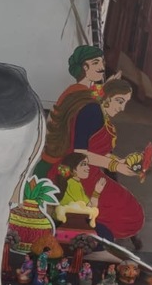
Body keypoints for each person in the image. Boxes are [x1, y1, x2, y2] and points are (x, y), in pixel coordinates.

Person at [44, 77, 145, 241]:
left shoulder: (101, 114)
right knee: (127, 214)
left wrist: (122, 162)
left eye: (125, 103)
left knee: (130, 211)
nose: (122, 108)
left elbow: (98, 151)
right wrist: (115, 166)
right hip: (75, 172)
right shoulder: (92, 112)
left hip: (90, 172)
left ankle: (87, 234)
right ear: (107, 96)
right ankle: (84, 234)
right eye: (119, 101)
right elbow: (80, 152)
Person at [35, 44, 107, 176]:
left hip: (59, 158)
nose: (102, 67)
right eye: (96, 63)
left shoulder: (80, 90)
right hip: (59, 165)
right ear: (85, 67)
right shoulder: (79, 96)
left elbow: (96, 94)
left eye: (102, 62)